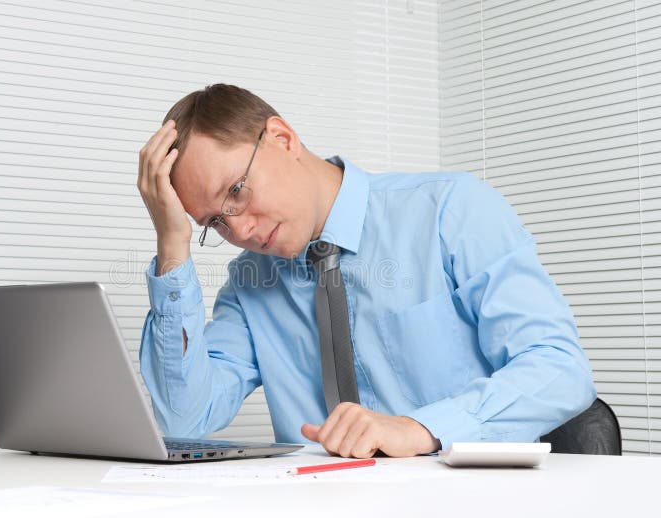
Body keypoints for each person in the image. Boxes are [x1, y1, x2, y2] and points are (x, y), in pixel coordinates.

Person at [137, 84, 596, 458]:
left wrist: (421, 428)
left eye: (236, 190)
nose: (240, 228)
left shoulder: (449, 211)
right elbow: (184, 417)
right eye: (214, 222)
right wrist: (172, 247)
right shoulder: (250, 282)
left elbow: (560, 368)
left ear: (281, 138)